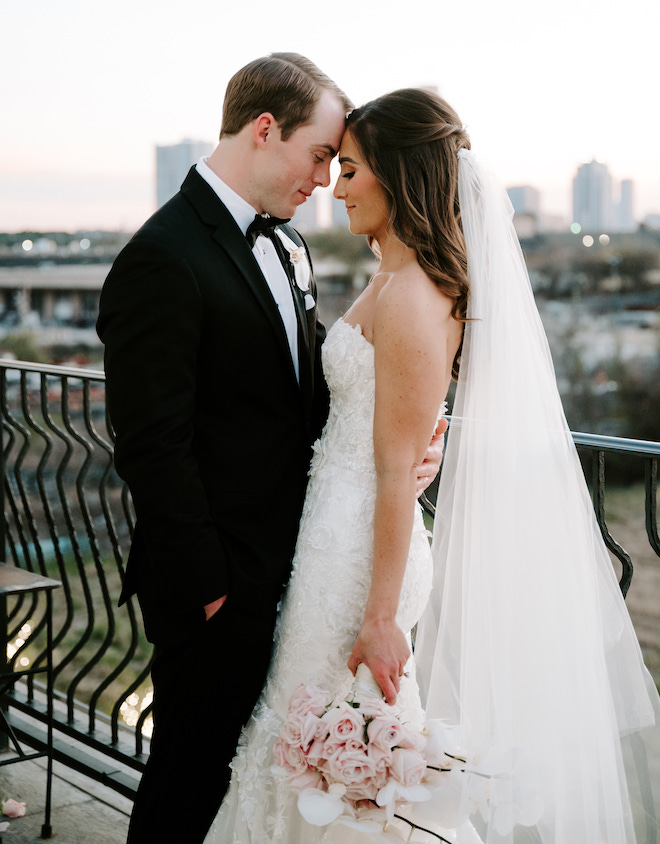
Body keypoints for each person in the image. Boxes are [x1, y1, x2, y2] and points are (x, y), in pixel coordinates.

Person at [205, 89, 660, 844]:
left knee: (347, 765)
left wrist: (381, 619)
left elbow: (391, 472)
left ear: (398, 176)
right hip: (334, 539)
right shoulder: (391, 275)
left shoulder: (414, 296)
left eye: (350, 170)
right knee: (306, 749)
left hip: (360, 561)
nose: (336, 187)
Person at [97, 55, 443, 844]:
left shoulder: (289, 246)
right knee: (189, 778)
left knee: (256, 785)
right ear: (264, 130)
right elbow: (152, 446)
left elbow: (305, 399)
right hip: (220, 588)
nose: (327, 178)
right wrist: (213, 590)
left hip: (302, 568)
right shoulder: (162, 256)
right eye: (321, 154)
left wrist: (405, 451)